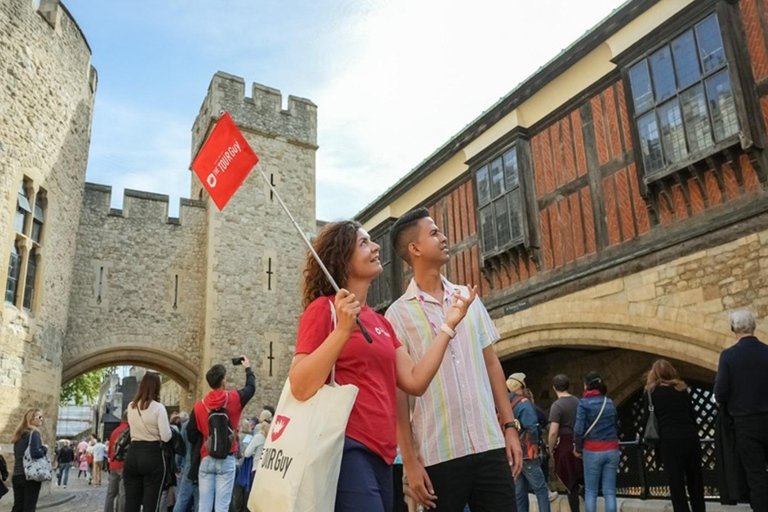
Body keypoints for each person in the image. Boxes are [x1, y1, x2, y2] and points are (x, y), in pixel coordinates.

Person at [290, 219, 482, 512]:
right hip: (346, 448)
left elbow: (415, 380)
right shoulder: (323, 310)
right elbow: (300, 385)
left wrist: (449, 325)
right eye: (364, 243)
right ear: (343, 258)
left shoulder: (380, 323)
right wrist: (342, 331)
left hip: (383, 456)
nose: (376, 246)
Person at [386, 208, 523, 511]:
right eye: (434, 232)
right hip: (438, 454)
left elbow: (491, 364)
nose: (444, 237)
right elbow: (399, 393)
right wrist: (409, 461)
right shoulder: (397, 315)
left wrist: (510, 427)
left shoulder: (467, 298)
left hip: (489, 443)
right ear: (415, 249)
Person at [714, 309, 768, 512]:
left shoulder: (728, 356)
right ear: (754, 327)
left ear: (733, 329)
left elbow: (720, 393)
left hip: (746, 424)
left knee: (756, 476)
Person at [187, 356, 255, 512]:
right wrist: (247, 368)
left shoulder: (199, 406)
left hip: (206, 457)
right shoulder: (234, 398)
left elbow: (191, 433)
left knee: (203, 506)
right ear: (224, 381)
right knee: (222, 507)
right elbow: (251, 388)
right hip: (227, 457)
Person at [645, 359, 705, 512]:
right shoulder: (682, 390)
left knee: (676, 484)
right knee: (695, 482)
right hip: (690, 437)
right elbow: (692, 415)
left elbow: (649, 418)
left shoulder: (651, 393)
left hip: (668, 440)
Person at [123, 372, 172, 512]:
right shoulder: (158, 408)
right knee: (151, 503)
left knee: (131, 503)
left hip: (133, 454)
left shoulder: (131, 407)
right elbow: (166, 437)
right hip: (152, 454)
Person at [574, 372, 619, 512]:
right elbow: (616, 424)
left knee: (591, 492)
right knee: (610, 491)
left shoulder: (583, 403)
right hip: (612, 449)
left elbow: (578, 429)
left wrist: (578, 448)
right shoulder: (609, 402)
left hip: (592, 450)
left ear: (586, 385)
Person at [507, 373, 550, 512]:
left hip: (513, 454)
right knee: (541, 490)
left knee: (519, 493)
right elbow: (532, 426)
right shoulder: (524, 404)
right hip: (527, 452)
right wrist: (536, 447)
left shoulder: (506, 403)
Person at [548, 374, 582, 512]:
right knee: (582, 476)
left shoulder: (557, 406)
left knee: (570, 482)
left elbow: (553, 432)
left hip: (565, 445)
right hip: (579, 442)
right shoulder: (577, 401)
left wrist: (550, 448)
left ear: (554, 388)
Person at [11, 408, 48, 512]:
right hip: (30, 476)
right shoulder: (34, 433)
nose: (42, 419)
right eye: (39, 417)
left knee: (18, 507)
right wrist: (45, 448)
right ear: (31, 418)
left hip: (17, 475)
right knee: (29, 507)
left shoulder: (18, 435)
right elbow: (36, 453)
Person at [172, 412, 198, 512]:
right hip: (199, 467)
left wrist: (177, 466)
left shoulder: (186, 426)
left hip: (186, 466)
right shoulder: (203, 424)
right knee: (199, 502)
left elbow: (180, 449)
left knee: (182, 499)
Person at [105, 411, 129, 512]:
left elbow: (110, 450)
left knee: (110, 494)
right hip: (125, 464)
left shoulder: (115, 431)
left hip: (114, 465)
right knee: (122, 493)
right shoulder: (130, 431)